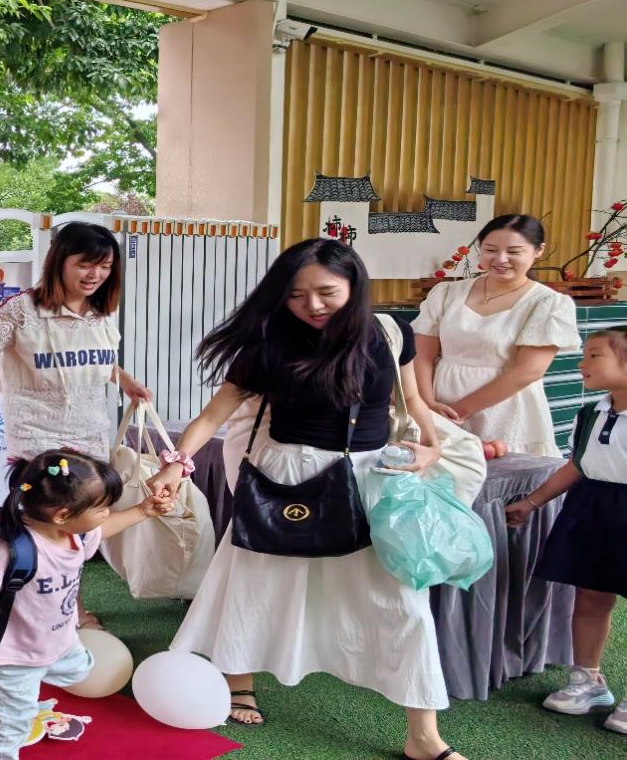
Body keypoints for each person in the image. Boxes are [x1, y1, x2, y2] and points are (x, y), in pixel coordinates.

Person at [144, 239, 463, 760]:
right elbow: (211, 417)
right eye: (296, 295)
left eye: (326, 292)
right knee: (255, 585)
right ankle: (238, 679)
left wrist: (432, 445)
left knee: (404, 604)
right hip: (285, 475)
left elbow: (411, 398)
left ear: (354, 285)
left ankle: (424, 738)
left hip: (370, 478)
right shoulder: (268, 341)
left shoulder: (390, 331)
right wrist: (174, 466)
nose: (312, 305)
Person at [0, 450, 173, 759]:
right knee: (8, 731)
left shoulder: (74, 536)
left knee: (81, 669)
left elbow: (102, 529)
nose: (107, 513)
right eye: (101, 508)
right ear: (62, 515)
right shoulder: (5, 556)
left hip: (58, 641)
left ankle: (29, 692)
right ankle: (12, 715)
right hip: (10, 659)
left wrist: (142, 511)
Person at [0, 222, 151, 461]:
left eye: (105, 267)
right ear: (59, 261)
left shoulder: (101, 313)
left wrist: (127, 382)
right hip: (36, 443)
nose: (95, 275)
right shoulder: (22, 310)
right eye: (84, 265)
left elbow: (89, 359)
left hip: (92, 438)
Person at [506, 327, 627, 735]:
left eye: (594, 356)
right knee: (589, 596)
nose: (582, 363)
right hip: (591, 508)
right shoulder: (591, 412)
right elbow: (577, 464)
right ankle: (588, 681)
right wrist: (531, 502)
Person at [413, 214, 580, 456]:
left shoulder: (548, 303)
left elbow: (529, 371)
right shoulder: (447, 292)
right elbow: (422, 355)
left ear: (538, 251)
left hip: (505, 409)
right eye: (490, 250)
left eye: (514, 252)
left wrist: (458, 412)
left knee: (503, 471)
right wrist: (427, 405)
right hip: (440, 400)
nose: (500, 259)